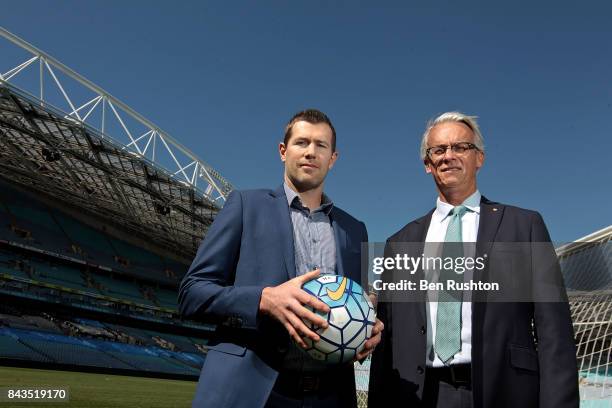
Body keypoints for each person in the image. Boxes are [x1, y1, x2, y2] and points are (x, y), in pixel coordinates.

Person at [368, 112, 578, 408]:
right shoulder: (399, 243)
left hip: (504, 392)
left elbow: (554, 332)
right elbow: (386, 342)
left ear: (479, 158)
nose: (448, 156)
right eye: (438, 150)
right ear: (428, 165)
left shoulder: (524, 226)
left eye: (460, 147)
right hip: (421, 396)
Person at [179, 109, 383, 408]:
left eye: (321, 145)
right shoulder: (245, 206)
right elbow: (191, 293)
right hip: (252, 391)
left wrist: (367, 329)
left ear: (333, 158)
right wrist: (264, 300)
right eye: (302, 142)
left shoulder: (355, 230)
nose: (311, 152)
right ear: (283, 151)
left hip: (329, 396)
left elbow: (360, 303)